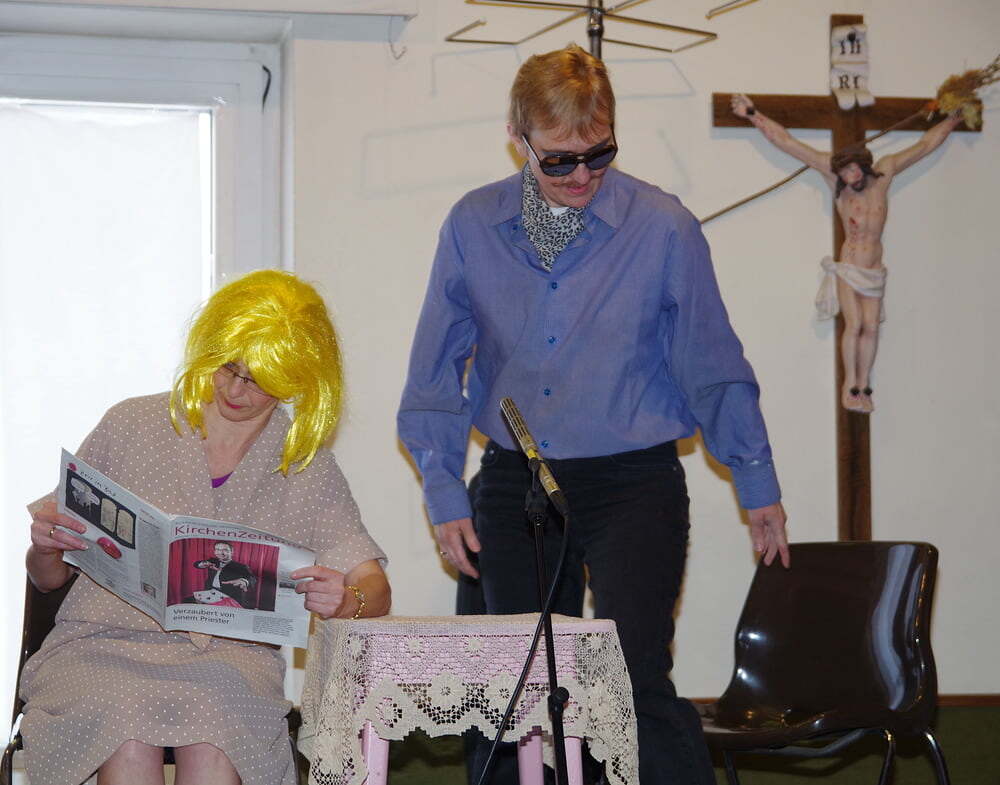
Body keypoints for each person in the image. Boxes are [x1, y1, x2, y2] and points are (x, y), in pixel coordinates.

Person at [398, 44, 789, 785]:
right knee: (512, 688)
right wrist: (443, 489)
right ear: (517, 138)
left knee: (630, 678)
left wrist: (755, 476)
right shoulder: (473, 225)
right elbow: (434, 370)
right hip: (515, 482)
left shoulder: (664, 227)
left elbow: (711, 361)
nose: (581, 177)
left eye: (599, 154)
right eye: (559, 161)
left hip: (633, 483)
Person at [23, 270, 390, 785]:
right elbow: (47, 580)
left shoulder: (304, 465)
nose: (236, 389)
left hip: (228, 660)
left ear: (297, 379)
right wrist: (45, 547)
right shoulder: (130, 424)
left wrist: (348, 600)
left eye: (260, 379)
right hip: (100, 646)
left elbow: (375, 586)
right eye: (228, 367)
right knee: (124, 729)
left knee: (216, 731)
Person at [730, 93, 963, 413]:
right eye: (842, 173)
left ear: (863, 166)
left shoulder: (884, 174)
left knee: (872, 326)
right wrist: (752, 113)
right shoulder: (836, 181)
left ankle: (863, 385)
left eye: (852, 171)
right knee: (854, 325)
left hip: (874, 268)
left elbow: (924, 146)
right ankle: (849, 386)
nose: (848, 177)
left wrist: (952, 119)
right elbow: (788, 142)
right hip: (850, 266)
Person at [193, 541, 257, 608]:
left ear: (232, 552)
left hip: (229, 597)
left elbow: (252, 578)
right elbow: (196, 564)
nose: (221, 553)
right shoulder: (212, 561)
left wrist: (244, 581)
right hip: (210, 592)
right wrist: (202, 564)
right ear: (214, 551)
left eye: (225, 550)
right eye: (218, 549)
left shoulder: (241, 566)